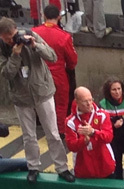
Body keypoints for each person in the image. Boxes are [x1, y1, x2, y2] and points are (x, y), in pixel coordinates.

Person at [0, 17, 72, 184]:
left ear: (16, 31)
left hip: (42, 91)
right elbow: (7, 74)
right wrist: (15, 55)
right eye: (7, 38)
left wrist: (35, 45)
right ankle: (33, 167)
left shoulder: (29, 35)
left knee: (53, 133)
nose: (12, 41)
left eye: (13, 36)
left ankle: (62, 167)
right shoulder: (3, 48)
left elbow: (52, 56)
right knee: (28, 135)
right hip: (21, 97)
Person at [32, 4, 77, 140]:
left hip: (38, 73)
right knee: (61, 103)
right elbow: (72, 61)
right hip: (58, 74)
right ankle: (60, 130)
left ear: (44, 16)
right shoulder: (64, 36)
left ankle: (43, 125)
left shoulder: (34, 32)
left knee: (39, 102)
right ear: (59, 17)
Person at [65, 86, 116, 179]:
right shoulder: (70, 121)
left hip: (105, 166)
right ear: (77, 102)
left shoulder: (103, 115)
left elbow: (109, 137)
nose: (89, 104)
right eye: (85, 101)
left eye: (90, 99)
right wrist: (83, 141)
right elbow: (71, 146)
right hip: (83, 169)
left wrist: (93, 132)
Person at [100, 77, 124, 179]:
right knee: (116, 168)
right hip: (113, 141)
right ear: (108, 91)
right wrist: (113, 125)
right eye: (114, 90)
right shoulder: (103, 104)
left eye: (119, 89)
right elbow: (103, 124)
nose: (117, 92)